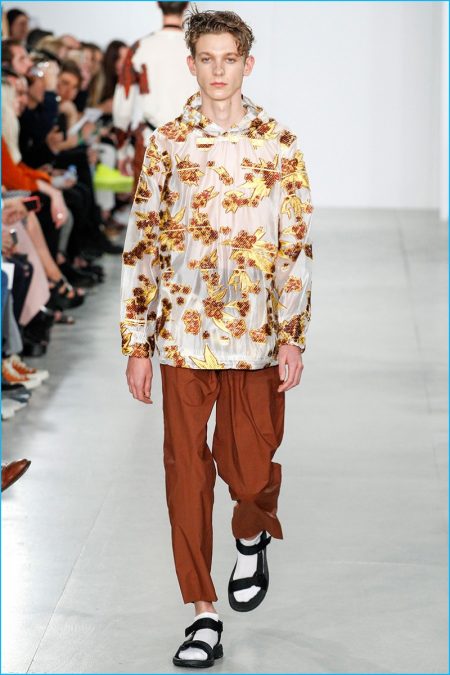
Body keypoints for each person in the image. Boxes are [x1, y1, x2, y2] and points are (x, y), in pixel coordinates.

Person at [119, 7, 314, 669]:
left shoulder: (279, 144)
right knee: (186, 472)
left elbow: (295, 245)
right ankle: (202, 613)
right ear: (192, 64)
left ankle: (251, 530)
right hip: (181, 332)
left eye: (230, 58)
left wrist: (293, 334)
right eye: (208, 58)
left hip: (255, 333)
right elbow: (142, 243)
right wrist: (136, 342)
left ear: (247, 64)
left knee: (250, 472)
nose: (219, 70)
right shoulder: (168, 143)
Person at [112, 1, 194, 187]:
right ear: (186, 6)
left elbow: (123, 105)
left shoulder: (140, 48)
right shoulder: (198, 48)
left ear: (158, 5)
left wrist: (122, 151)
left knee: (147, 204)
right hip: (191, 147)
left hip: (150, 143)